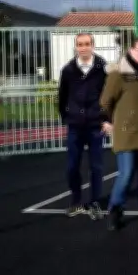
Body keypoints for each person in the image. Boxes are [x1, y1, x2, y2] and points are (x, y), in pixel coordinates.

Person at [100, 37, 138, 231]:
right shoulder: (119, 74)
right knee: (126, 174)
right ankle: (115, 209)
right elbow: (106, 101)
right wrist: (107, 120)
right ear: (131, 50)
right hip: (126, 132)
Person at [57, 32, 108, 219]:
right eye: (80, 44)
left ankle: (95, 201)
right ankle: (76, 200)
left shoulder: (103, 68)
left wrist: (107, 119)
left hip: (96, 125)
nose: (84, 47)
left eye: (87, 43)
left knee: (96, 167)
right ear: (76, 47)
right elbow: (62, 98)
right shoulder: (68, 70)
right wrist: (67, 117)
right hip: (75, 126)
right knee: (72, 167)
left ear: (93, 45)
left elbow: (109, 96)